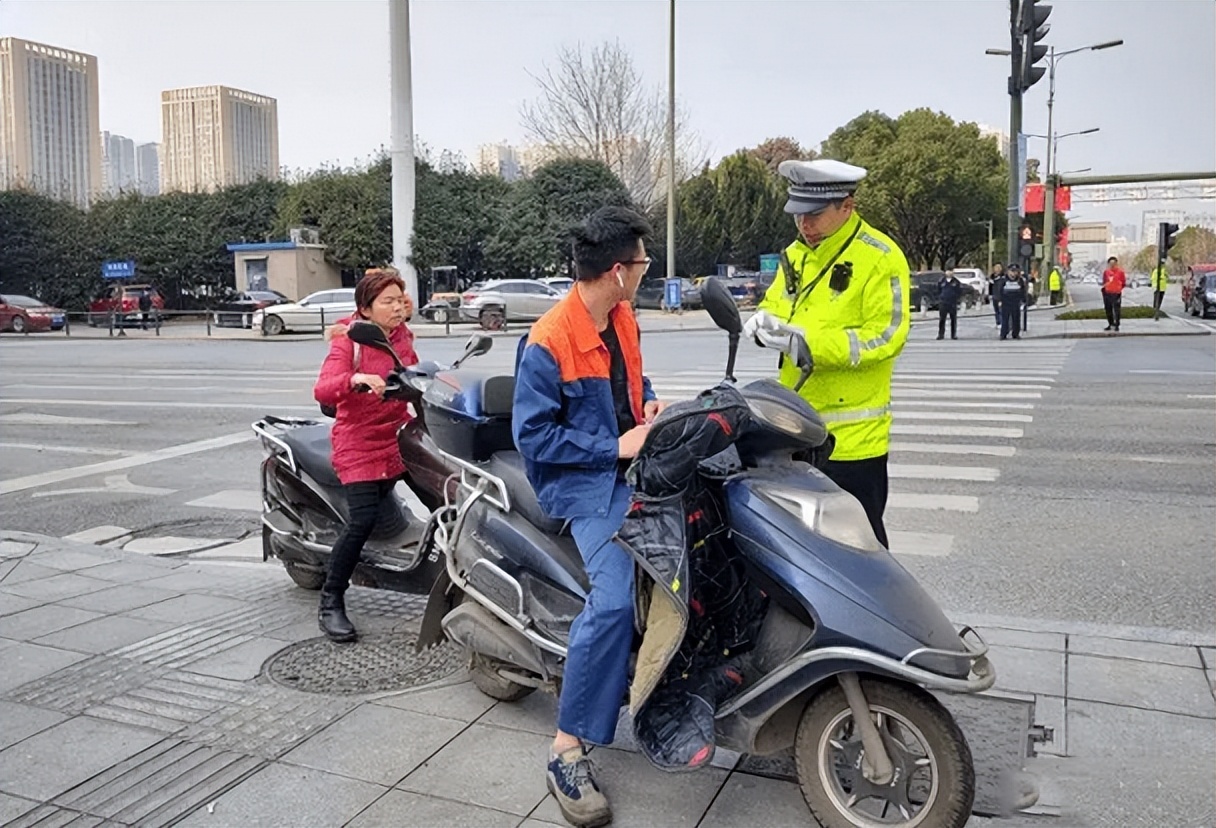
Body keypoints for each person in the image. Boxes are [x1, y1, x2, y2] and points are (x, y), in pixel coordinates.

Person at [513, 206, 664, 828]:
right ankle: (567, 748)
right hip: (582, 487)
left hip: (628, 467)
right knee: (614, 601)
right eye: (641, 262)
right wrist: (614, 447)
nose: (646, 269)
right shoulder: (548, 339)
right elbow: (533, 439)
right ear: (616, 271)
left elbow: (630, 380)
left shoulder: (620, 316)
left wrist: (647, 403)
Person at [744, 159, 910, 549]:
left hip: (852, 440)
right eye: (798, 215)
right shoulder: (796, 255)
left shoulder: (881, 257)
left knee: (862, 549)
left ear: (847, 207)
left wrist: (807, 343)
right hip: (792, 430)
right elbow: (777, 305)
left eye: (814, 215)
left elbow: (886, 337)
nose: (804, 225)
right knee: (803, 546)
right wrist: (765, 324)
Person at [312, 268, 417, 642]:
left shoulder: (401, 337)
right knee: (363, 521)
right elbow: (323, 390)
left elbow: (413, 374)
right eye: (386, 302)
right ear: (366, 309)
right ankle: (331, 600)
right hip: (358, 442)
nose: (396, 308)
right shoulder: (349, 342)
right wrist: (354, 380)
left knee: (448, 494)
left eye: (399, 300)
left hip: (399, 436)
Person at [999, 263, 1027, 340]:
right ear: (1008, 272)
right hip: (1006, 302)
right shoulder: (1003, 280)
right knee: (1005, 319)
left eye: (1015, 271)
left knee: (1016, 319)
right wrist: (999, 300)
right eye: (1012, 271)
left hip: (1016, 302)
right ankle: (1003, 334)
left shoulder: (1020, 280)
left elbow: (1023, 291)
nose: (1013, 273)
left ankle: (1015, 334)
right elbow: (999, 291)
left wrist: (1023, 300)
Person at [1102, 256, 1126, 332]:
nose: (1112, 265)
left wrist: (1118, 289)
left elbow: (1123, 282)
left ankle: (1117, 324)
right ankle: (1110, 323)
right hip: (1107, 293)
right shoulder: (1106, 272)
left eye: (1114, 263)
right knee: (1108, 309)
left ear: (1116, 263)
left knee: (1116, 310)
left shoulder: (1120, 272)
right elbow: (1104, 281)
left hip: (1116, 293)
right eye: (1110, 263)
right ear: (1108, 264)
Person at [937, 269, 963, 340]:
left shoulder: (956, 282)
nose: (949, 273)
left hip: (952, 303)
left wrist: (956, 298)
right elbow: (938, 290)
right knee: (942, 319)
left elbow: (959, 291)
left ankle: (953, 334)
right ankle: (941, 334)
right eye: (948, 271)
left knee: (953, 319)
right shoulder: (941, 281)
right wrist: (940, 298)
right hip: (943, 302)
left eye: (951, 271)